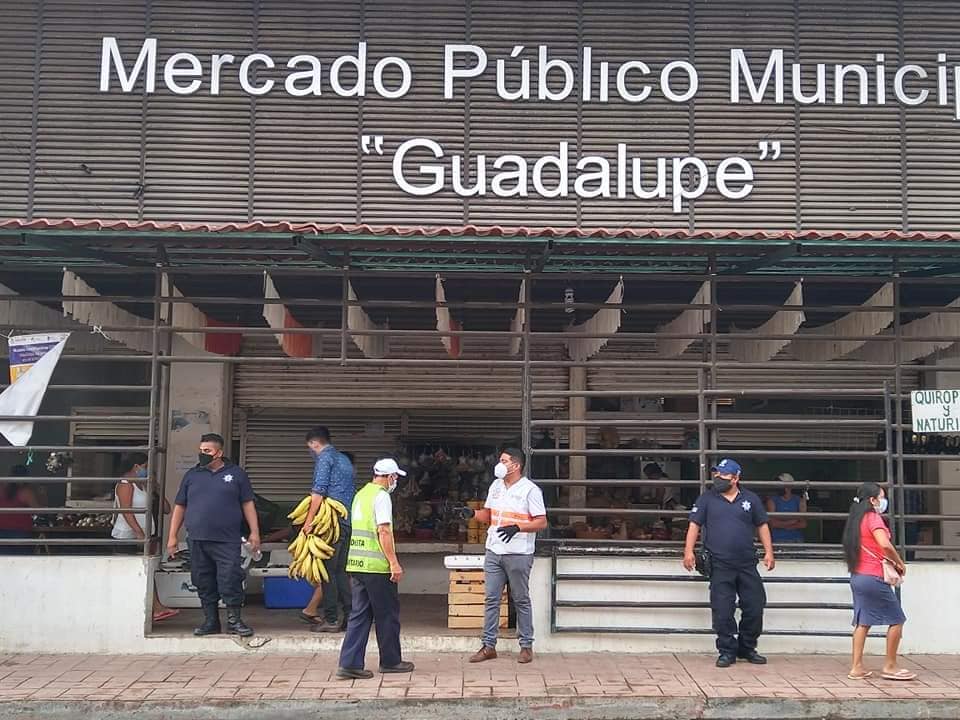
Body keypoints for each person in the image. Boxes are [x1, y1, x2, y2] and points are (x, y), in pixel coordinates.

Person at [683, 458, 775, 668]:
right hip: (720, 565)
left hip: (746, 564)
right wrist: (688, 551)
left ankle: (747, 648)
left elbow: (762, 526)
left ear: (736, 478)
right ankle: (727, 651)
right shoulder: (707, 499)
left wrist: (769, 552)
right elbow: (694, 525)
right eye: (716, 474)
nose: (718, 478)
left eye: (723, 475)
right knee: (722, 611)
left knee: (754, 606)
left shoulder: (751, 499)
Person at [166, 433, 260, 637]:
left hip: (227, 540)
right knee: (202, 580)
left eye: (207, 451)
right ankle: (211, 621)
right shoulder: (192, 475)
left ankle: (234, 621)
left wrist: (254, 532)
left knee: (230, 579)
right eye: (201, 451)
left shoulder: (236, 474)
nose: (203, 454)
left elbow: (248, 504)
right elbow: (180, 506)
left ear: (219, 452)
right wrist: (172, 536)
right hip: (198, 539)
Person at [464, 447, 548, 665]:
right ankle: (488, 645)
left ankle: (526, 646)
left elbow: (541, 521)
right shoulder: (496, 486)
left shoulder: (530, 490)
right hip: (494, 550)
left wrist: (518, 528)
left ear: (516, 465)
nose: (499, 463)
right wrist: (470, 513)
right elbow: (489, 515)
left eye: (504, 460)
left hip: (519, 553)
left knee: (520, 599)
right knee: (491, 599)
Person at [337, 458, 414, 679]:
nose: (395, 481)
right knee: (387, 614)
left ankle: (349, 664)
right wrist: (393, 562)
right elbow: (384, 531)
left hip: (357, 564)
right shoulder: (381, 497)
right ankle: (391, 661)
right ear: (390, 477)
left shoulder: (361, 494)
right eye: (395, 477)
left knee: (359, 615)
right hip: (377, 566)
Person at [842, 482, 915, 682]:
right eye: (881, 497)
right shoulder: (873, 518)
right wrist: (900, 562)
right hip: (874, 577)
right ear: (872, 500)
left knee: (862, 622)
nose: (884, 501)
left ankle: (856, 667)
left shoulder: (856, 519)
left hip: (858, 576)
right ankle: (890, 666)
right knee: (897, 619)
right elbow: (884, 544)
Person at [300, 427, 356, 633]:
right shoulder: (344, 459)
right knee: (341, 571)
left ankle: (331, 619)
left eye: (310, 448)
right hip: (347, 520)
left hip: (330, 522)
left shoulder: (324, 458)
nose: (311, 452)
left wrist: (309, 521)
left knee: (327, 572)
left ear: (315, 443)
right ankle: (350, 617)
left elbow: (318, 491)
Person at [112, 452, 178, 622]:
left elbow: (166, 509)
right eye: (146, 467)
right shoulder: (125, 485)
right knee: (135, 572)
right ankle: (155, 607)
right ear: (136, 467)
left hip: (145, 536)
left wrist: (156, 488)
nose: (148, 470)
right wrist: (139, 534)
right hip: (127, 537)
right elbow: (126, 511)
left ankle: (156, 607)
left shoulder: (143, 485)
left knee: (147, 570)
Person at [0, 464, 39, 555]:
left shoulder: (2, 490)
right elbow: (38, 510)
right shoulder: (25, 492)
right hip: (20, 533)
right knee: (22, 563)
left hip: (2, 532)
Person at [766, 473, 807, 544]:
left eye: (781, 484)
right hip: (778, 540)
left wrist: (781, 524)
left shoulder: (799, 500)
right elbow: (773, 523)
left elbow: (803, 524)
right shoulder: (772, 500)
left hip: (796, 540)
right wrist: (793, 521)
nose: (779, 486)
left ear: (789, 486)